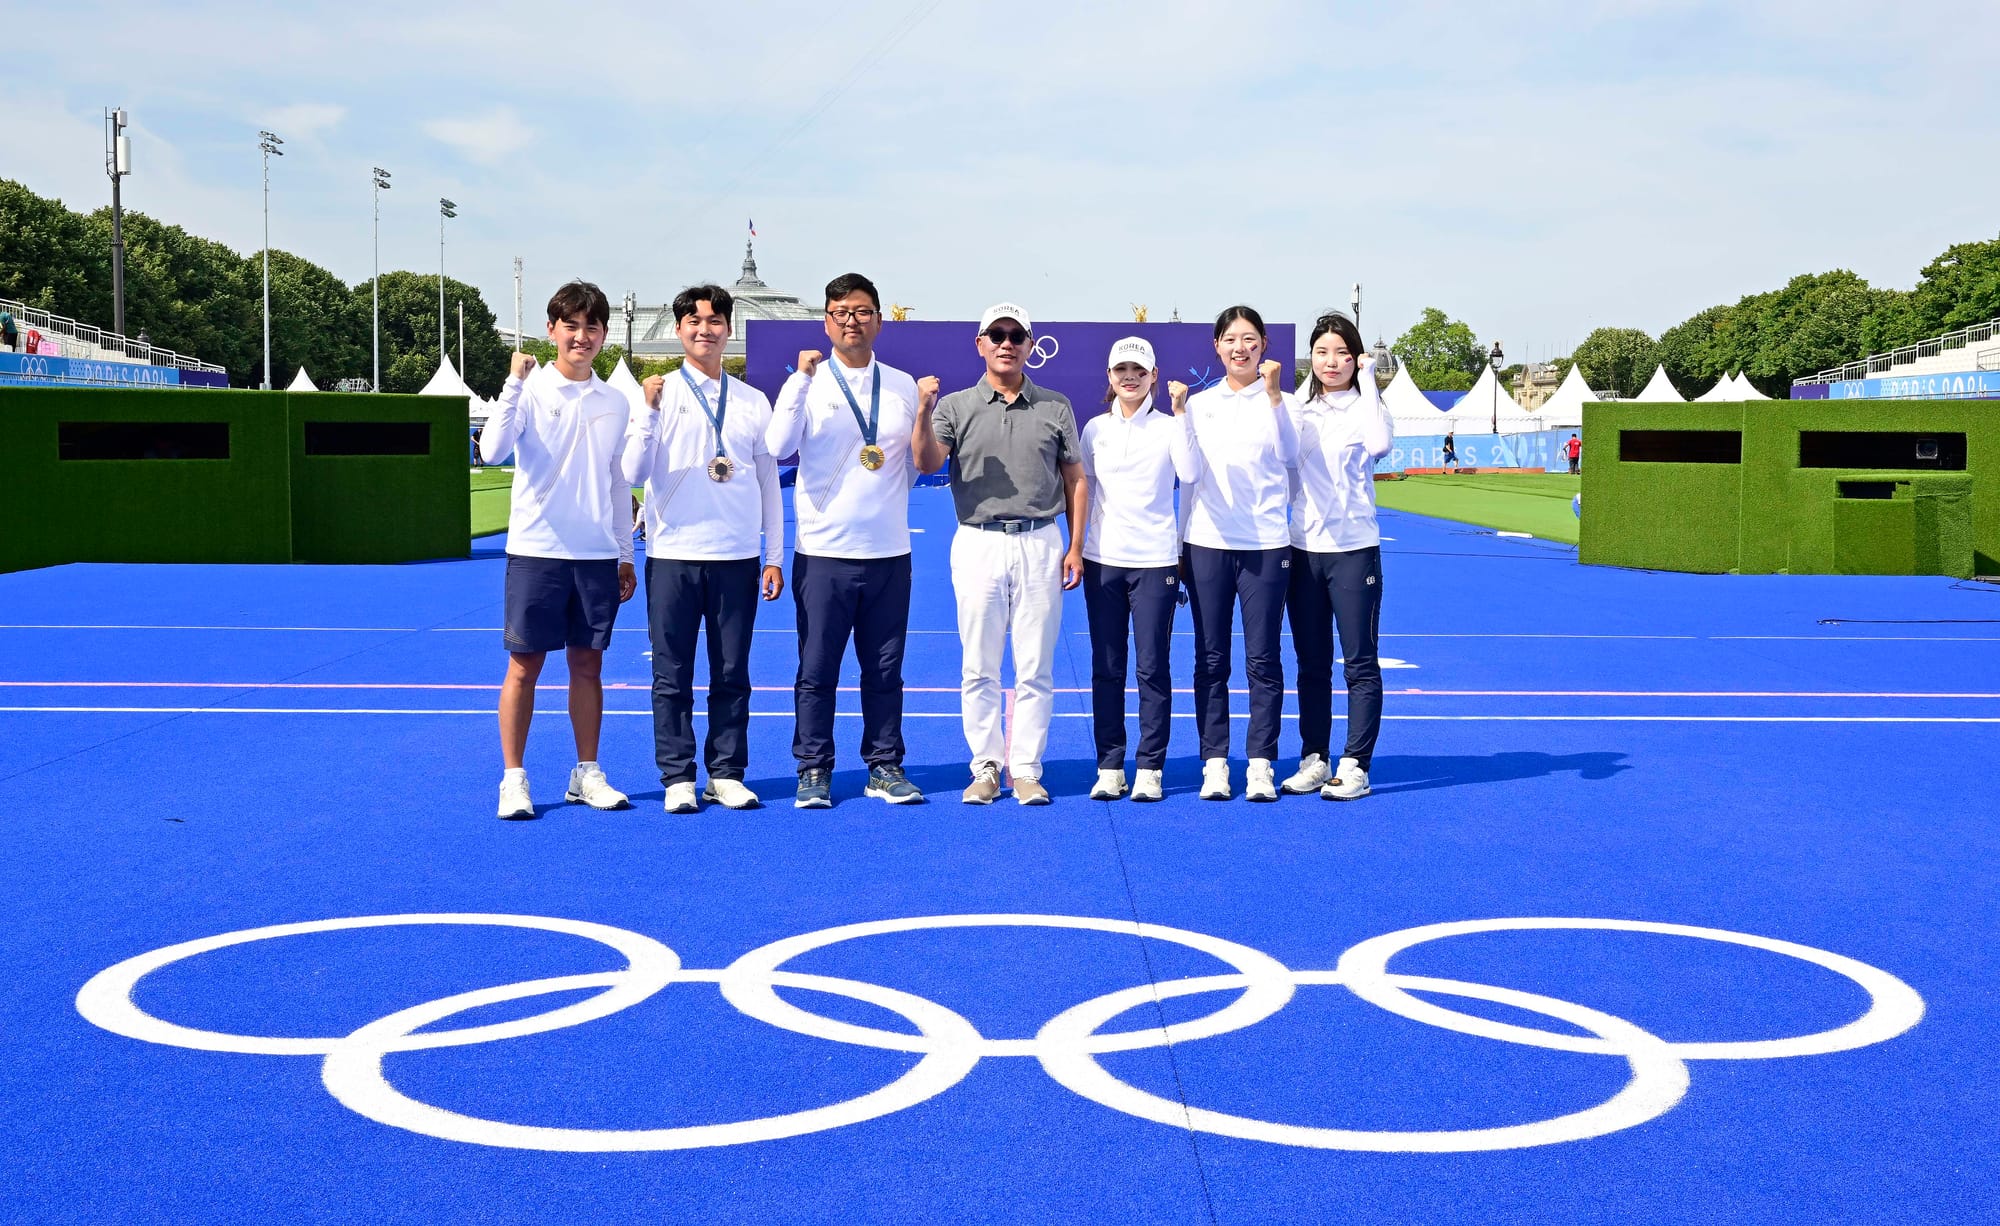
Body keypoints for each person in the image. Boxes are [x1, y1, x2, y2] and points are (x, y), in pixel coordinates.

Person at [912, 302, 1086, 805]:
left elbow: (1075, 479)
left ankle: (1026, 768)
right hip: (978, 542)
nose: (1006, 343)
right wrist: (923, 411)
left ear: (1031, 345)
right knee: (980, 664)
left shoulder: (1055, 405)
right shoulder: (954, 406)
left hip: (1040, 540)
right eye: (996, 334)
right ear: (981, 343)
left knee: (1035, 665)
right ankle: (986, 766)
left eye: (1016, 335)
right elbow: (926, 462)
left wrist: (1074, 546)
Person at [477, 280, 637, 820]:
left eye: (592, 326)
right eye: (571, 325)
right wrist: (513, 383)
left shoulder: (616, 401)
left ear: (604, 334)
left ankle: (586, 772)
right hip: (536, 550)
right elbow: (495, 451)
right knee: (524, 665)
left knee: (588, 665)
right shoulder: (529, 389)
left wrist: (624, 553)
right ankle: (513, 778)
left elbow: (619, 484)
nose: (581, 336)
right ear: (552, 330)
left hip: (595, 555)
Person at [767, 272, 924, 808]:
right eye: (840, 312)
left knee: (884, 670)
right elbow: (778, 445)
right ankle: (813, 768)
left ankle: (884, 764)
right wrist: (798, 382)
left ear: (878, 318)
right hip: (824, 552)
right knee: (817, 669)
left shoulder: (902, 385)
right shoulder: (810, 383)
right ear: (827, 322)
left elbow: (916, 464)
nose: (851, 321)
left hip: (888, 552)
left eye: (861, 311)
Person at [627, 285, 784, 814]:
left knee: (732, 672)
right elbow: (632, 473)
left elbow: (768, 483)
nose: (705, 329)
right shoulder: (657, 392)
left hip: (736, 556)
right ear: (678, 329)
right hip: (672, 554)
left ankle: (726, 772)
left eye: (715, 320)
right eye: (693, 321)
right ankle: (677, 775)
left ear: (728, 328)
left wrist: (775, 554)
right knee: (671, 674)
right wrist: (648, 414)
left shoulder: (752, 401)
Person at [1181, 305, 1298, 802]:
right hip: (1208, 542)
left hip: (1266, 546)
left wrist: (1272, 397)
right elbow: (1188, 478)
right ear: (1217, 347)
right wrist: (1180, 544)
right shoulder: (1199, 405)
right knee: (1210, 658)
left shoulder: (1285, 402)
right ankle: (1214, 761)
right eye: (1230, 339)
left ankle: (1260, 763)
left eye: (1249, 339)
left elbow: (1290, 457)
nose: (1240, 348)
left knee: (1263, 658)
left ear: (1264, 345)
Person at [1080, 337, 1199, 803]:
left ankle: (1150, 766)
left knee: (1152, 668)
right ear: (1109, 378)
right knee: (1106, 668)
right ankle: (1110, 766)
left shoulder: (1170, 426)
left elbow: (1188, 474)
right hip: (1102, 560)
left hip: (1155, 562)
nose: (1129, 377)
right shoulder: (1094, 430)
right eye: (1120, 370)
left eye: (1138, 370)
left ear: (1153, 375)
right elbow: (1085, 489)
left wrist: (1182, 411)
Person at [1281, 312, 1392, 802]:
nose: (1333, 362)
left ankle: (1356, 764)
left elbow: (1380, 445)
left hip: (1353, 550)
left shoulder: (1368, 405)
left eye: (1343, 354)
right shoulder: (1297, 408)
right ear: (1312, 356)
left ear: (1356, 357)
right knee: (1311, 663)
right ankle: (1314, 758)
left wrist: (1368, 378)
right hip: (1303, 549)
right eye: (1323, 352)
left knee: (1359, 663)